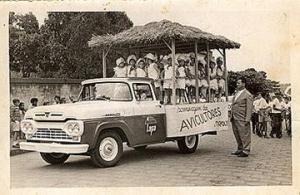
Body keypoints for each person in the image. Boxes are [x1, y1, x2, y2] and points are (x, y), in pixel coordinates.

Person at [230, 77, 253, 157]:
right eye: (237, 83)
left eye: (239, 83)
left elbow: (249, 108)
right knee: (237, 133)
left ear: (243, 84)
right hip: (234, 117)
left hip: (242, 117)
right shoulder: (237, 93)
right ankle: (240, 148)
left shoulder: (247, 94)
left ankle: (246, 150)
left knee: (244, 134)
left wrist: (247, 119)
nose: (237, 84)